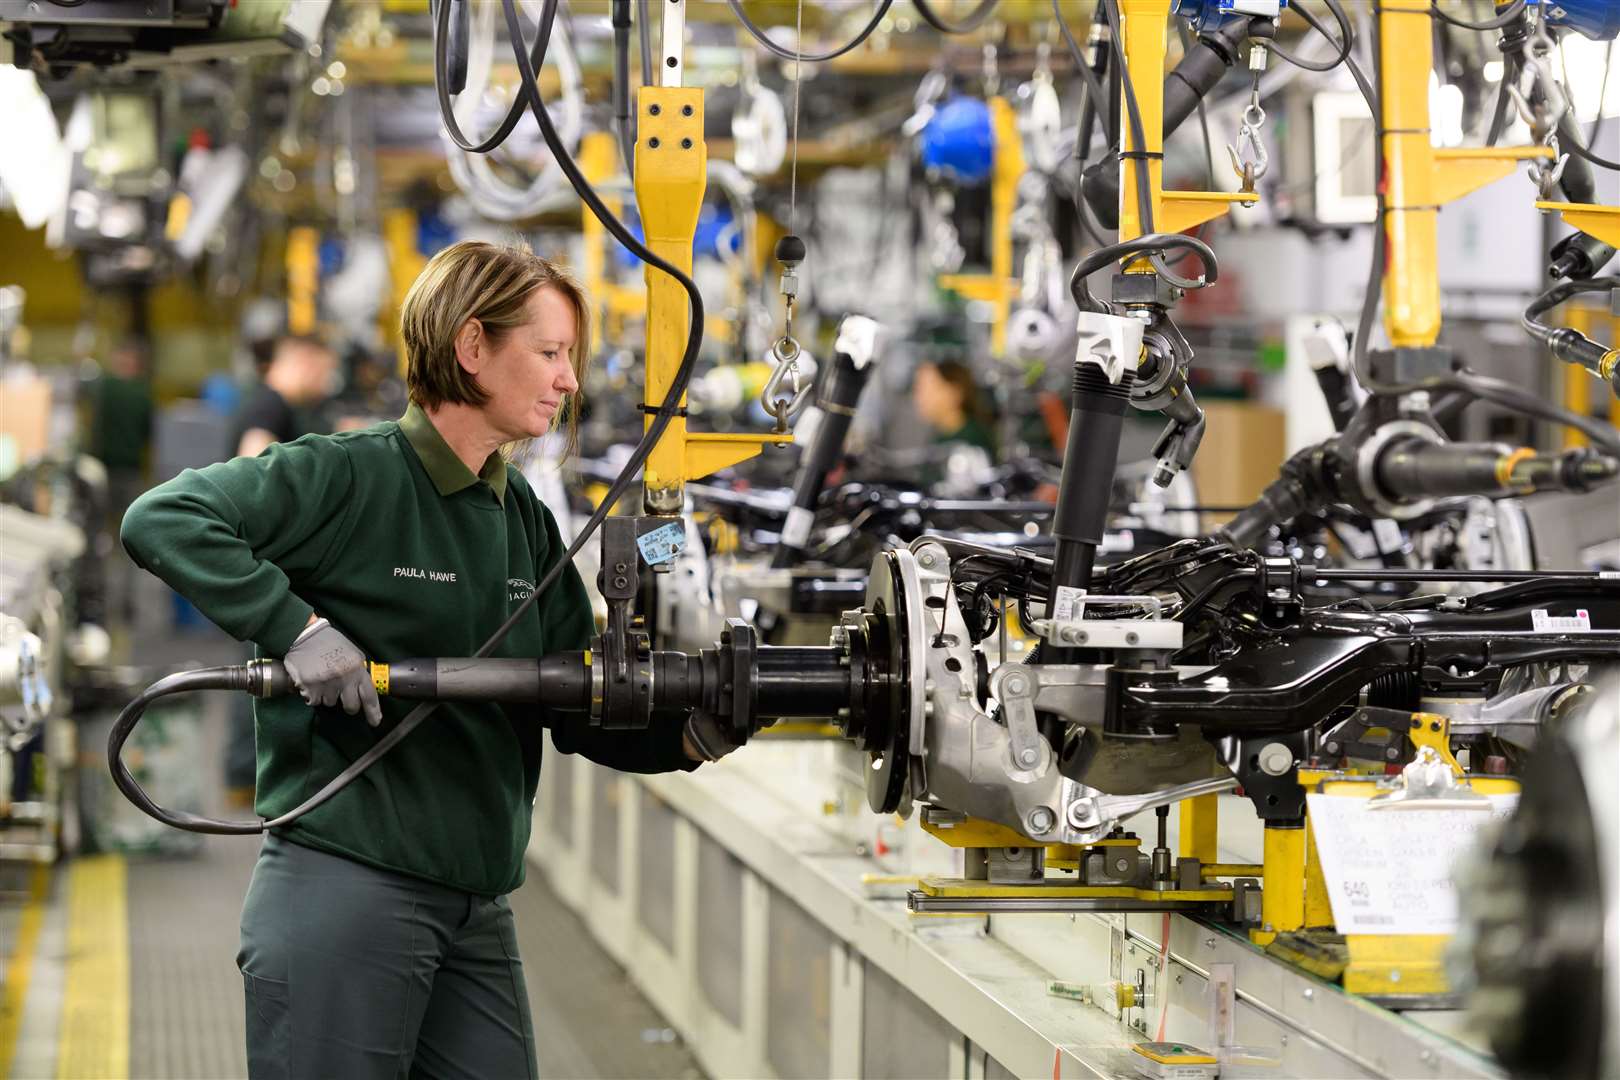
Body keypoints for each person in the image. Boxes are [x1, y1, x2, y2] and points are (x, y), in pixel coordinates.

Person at [120, 241, 732, 1079]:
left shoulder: (523, 520)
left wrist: (698, 729)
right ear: (472, 347)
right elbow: (165, 517)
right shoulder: (353, 476)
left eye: (570, 360)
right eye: (550, 354)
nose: (568, 381)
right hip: (347, 888)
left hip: (476, 908)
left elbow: (574, 705)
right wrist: (296, 629)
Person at [228, 333, 337, 459]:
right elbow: (255, 466)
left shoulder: (273, 403)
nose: (325, 386)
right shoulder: (269, 407)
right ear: (305, 364)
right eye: (323, 373)